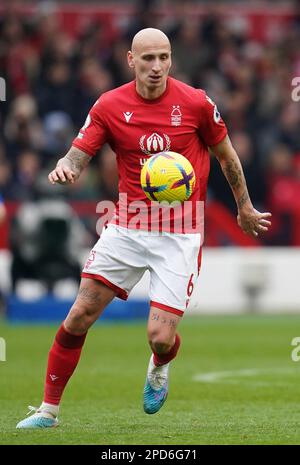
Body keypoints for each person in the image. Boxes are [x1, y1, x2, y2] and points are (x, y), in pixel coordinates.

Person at [16, 28, 271, 429]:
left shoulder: (196, 103)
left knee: (160, 336)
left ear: (172, 59)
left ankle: (159, 365)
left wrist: (244, 207)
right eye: (148, 58)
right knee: (79, 314)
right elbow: (79, 152)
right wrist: (67, 166)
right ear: (130, 60)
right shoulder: (110, 105)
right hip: (127, 229)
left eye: (164, 57)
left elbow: (226, 155)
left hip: (179, 234)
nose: (157, 67)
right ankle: (48, 411)